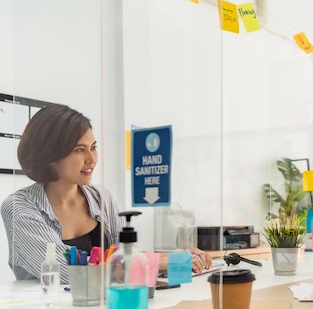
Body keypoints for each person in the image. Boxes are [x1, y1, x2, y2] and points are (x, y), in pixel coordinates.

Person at [1, 105, 210, 283]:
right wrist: (163, 261)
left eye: (93, 147)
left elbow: (124, 257)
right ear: (50, 155)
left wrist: (175, 257)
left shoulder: (102, 198)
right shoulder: (20, 207)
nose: (92, 159)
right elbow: (66, 272)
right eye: (79, 150)